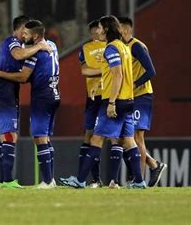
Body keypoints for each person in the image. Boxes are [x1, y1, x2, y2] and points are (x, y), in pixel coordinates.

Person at [60, 15, 147, 189]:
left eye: (100, 28)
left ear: (106, 29)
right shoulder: (124, 47)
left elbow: (117, 75)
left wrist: (112, 102)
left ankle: (80, 180)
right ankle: (139, 181)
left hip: (117, 100)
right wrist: (100, 84)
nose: (97, 31)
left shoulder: (111, 49)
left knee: (97, 138)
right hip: (129, 99)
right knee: (128, 140)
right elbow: (114, 74)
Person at [0, 20, 59, 189]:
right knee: (38, 137)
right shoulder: (51, 45)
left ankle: (46, 181)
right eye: (23, 32)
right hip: (53, 93)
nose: (23, 36)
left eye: (26, 34)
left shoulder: (33, 52)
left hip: (41, 96)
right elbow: (20, 56)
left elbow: (23, 77)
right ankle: (45, 179)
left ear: (34, 35)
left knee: (36, 137)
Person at [118, 17, 167, 187]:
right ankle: (153, 165)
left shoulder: (136, 46)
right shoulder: (124, 47)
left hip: (142, 96)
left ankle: (139, 181)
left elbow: (151, 71)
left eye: (118, 29)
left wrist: (134, 84)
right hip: (131, 97)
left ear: (124, 30)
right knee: (125, 138)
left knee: (137, 138)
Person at [76, 20, 105, 187]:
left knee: (116, 138)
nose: (96, 35)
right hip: (92, 97)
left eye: (99, 31)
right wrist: (105, 71)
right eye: (94, 33)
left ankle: (127, 179)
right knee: (89, 135)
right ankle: (93, 179)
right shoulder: (86, 49)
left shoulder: (112, 46)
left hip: (108, 96)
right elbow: (84, 71)